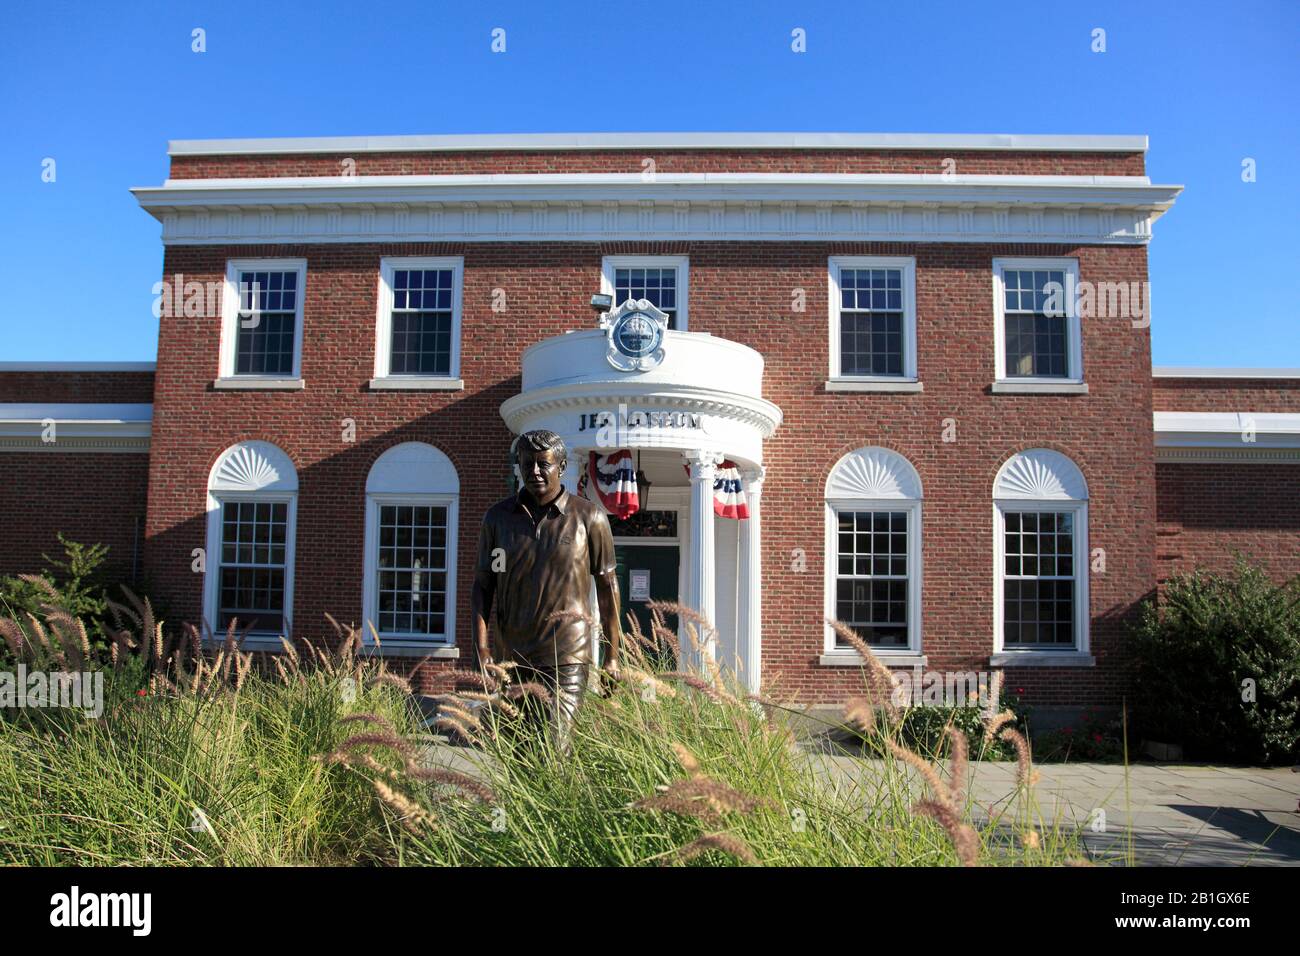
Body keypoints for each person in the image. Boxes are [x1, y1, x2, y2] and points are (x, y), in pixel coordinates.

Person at [471, 429, 623, 754]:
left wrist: (613, 657)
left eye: (544, 464)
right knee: (520, 754)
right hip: (513, 656)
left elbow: (608, 587)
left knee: (555, 748)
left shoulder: (589, 517)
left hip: (567, 654)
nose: (535, 472)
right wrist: (483, 650)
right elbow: (484, 586)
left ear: (562, 466)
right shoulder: (498, 519)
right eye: (527, 464)